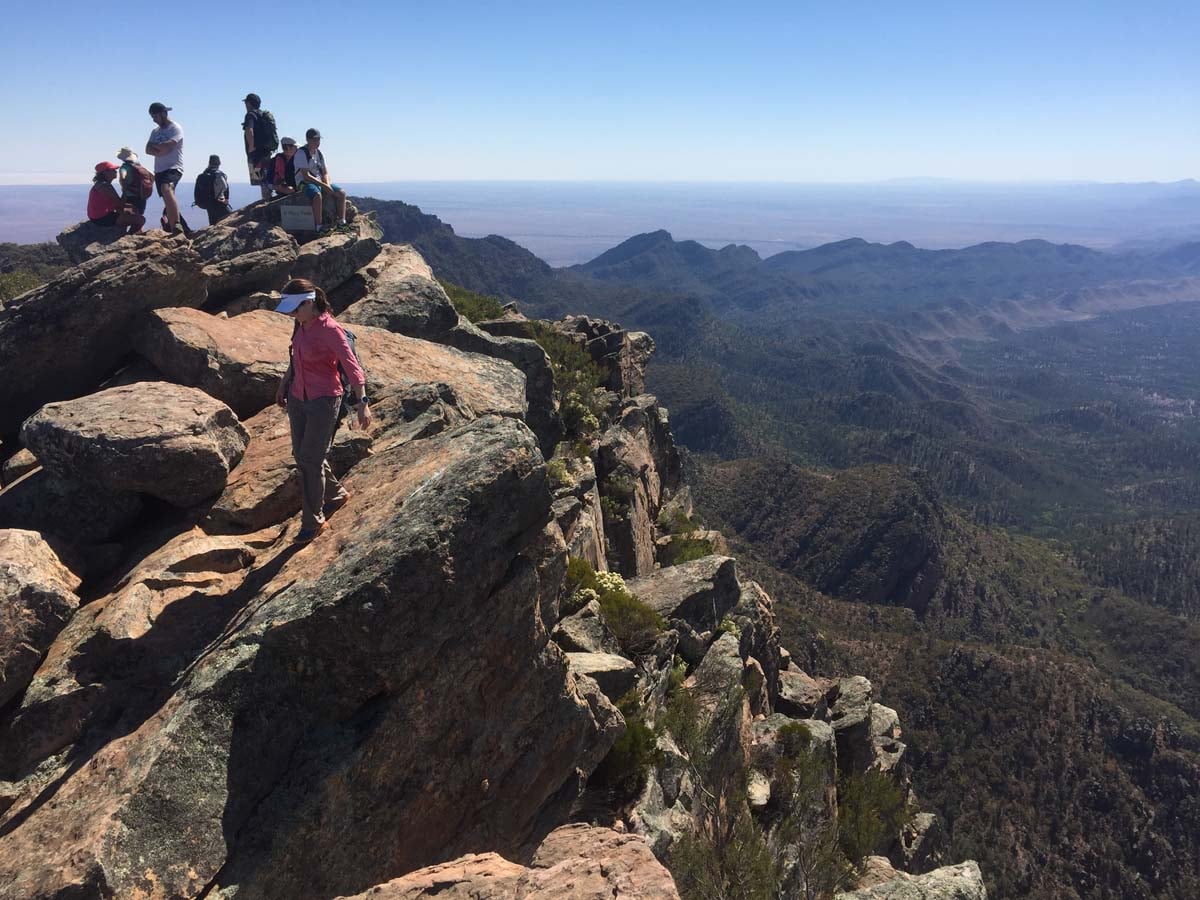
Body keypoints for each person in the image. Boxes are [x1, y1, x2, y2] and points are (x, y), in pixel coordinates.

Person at [274, 278, 372, 542]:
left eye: (295, 309)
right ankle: (336, 494)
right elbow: (295, 357)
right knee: (303, 455)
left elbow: (352, 367)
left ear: (309, 303)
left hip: (324, 400)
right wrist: (284, 385)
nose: (292, 315)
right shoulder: (300, 324)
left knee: (310, 460)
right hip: (298, 396)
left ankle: (313, 521)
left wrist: (363, 403)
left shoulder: (330, 329)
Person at [293, 128, 347, 232]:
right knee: (317, 196)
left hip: (319, 181)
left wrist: (327, 185)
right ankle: (319, 226)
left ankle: (342, 222)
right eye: (314, 139)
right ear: (307, 139)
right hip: (303, 183)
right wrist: (324, 186)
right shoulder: (301, 153)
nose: (317, 142)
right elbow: (306, 175)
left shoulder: (319, 153)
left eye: (318, 139)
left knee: (341, 193)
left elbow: (325, 172)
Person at [145, 101, 186, 234]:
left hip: (174, 167)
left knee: (166, 189)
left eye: (155, 116)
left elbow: (169, 146)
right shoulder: (155, 131)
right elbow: (148, 149)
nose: (153, 119)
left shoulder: (175, 128)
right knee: (168, 200)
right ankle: (180, 228)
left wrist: (158, 148)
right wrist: (160, 149)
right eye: (152, 117)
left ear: (163, 114)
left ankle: (177, 226)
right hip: (159, 170)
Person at [87, 161, 145, 234]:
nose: (115, 171)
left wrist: (131, 207)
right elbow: (120, 205)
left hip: (98, 216)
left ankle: (132, 232)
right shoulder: (105, 186)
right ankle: (130, 235)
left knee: (132, 209)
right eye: (112, 170)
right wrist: (124, 190)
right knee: (141, 220)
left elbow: (115, 204)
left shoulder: (101, 184)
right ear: (105, 173)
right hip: (102, 219)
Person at [242, 93, 278, 200]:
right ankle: (267, 196)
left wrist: (251, 146)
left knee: (260, 177)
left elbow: (249, 130)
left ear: (249, 103)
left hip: (256, 153)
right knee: (265, 175)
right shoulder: (263, 115)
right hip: (266, 151)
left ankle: (266, 199)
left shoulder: (250, 115)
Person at [195, 155, 232, 225]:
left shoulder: (203, 174)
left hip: (207, 204)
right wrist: (226, 199)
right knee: (230, 220)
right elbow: (225, 187)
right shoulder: (219, 174)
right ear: (219, 163)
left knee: (213, 222)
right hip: (219, 202)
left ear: (209, 162)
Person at [116, 148, 150, 218]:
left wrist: (124, 188)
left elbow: (123, 176)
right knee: (139, 215)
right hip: (142, 195)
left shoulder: (124, 167)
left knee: (125, 215)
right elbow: (152, 176)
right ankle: (137, 228)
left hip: (129, 196)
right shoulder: (139, 167)